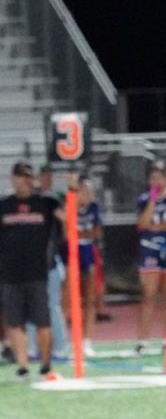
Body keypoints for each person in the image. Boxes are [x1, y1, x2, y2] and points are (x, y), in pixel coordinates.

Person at [0, 161, 63, 379]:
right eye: (20, 176)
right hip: (10, 274)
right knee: (15, 322)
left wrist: (71, 189)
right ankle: (23, 365)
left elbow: (67, 217)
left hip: (37, 273)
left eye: (27, 176)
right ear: (13, 178)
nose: (24, 180)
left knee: (43, 322)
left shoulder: (45, 202)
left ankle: (46, 363)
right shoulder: (4, 205)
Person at [136, 159, 166, 353]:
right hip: (150, 247)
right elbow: (142, 224)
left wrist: (156, 227)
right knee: (148, 295)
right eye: (153, 177)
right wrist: (152, 200)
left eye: (160, 177)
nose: (157, 180)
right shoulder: (143, 199)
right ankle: (143, 340)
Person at [34, 165, 69, 362]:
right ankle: (34, 348)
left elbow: (65, 222)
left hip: (51, 261)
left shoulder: (53, 199)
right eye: (43, 176)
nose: (46, 179)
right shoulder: (33, 200)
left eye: (49, 176)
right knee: (32, 307)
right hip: (32, 262)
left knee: (53, 306)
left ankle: (59, 348)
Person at [75, 177, 103, 356]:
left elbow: (96, 232)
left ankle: (86, 340)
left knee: (90, 297)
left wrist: (81, 232)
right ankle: (67, 340)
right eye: (84, 191)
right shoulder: (69, 204)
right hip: (71, 251)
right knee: (68, 297)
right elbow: (68, 231)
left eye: (89, 191)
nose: (88, 195)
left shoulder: (94, 207)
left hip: (88, 250)